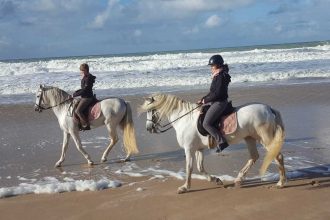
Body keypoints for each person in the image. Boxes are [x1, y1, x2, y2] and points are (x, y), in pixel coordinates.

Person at [198, 54, 231, 153]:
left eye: (212, 66)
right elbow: (212, 92)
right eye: (211, 66)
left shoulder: (220, 76)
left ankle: (222, 141)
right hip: (216, 101)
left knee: (206, 124)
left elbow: (218, 94)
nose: (211, 68)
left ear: (218, 65)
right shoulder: (217, 76)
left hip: (219, 102)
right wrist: (203, 99)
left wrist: (206, 101)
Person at [72, 63, 96, 130]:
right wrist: (76, 92)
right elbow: (83, 89)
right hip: (84, 96)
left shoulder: (88, 78)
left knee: (78, 111)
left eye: (82, 71)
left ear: (86, 70)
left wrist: (74, 95)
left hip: (87, 97)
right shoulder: (85, 77)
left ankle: (86, 124)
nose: (81, 72)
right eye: (81, 71)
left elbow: (85, 90)